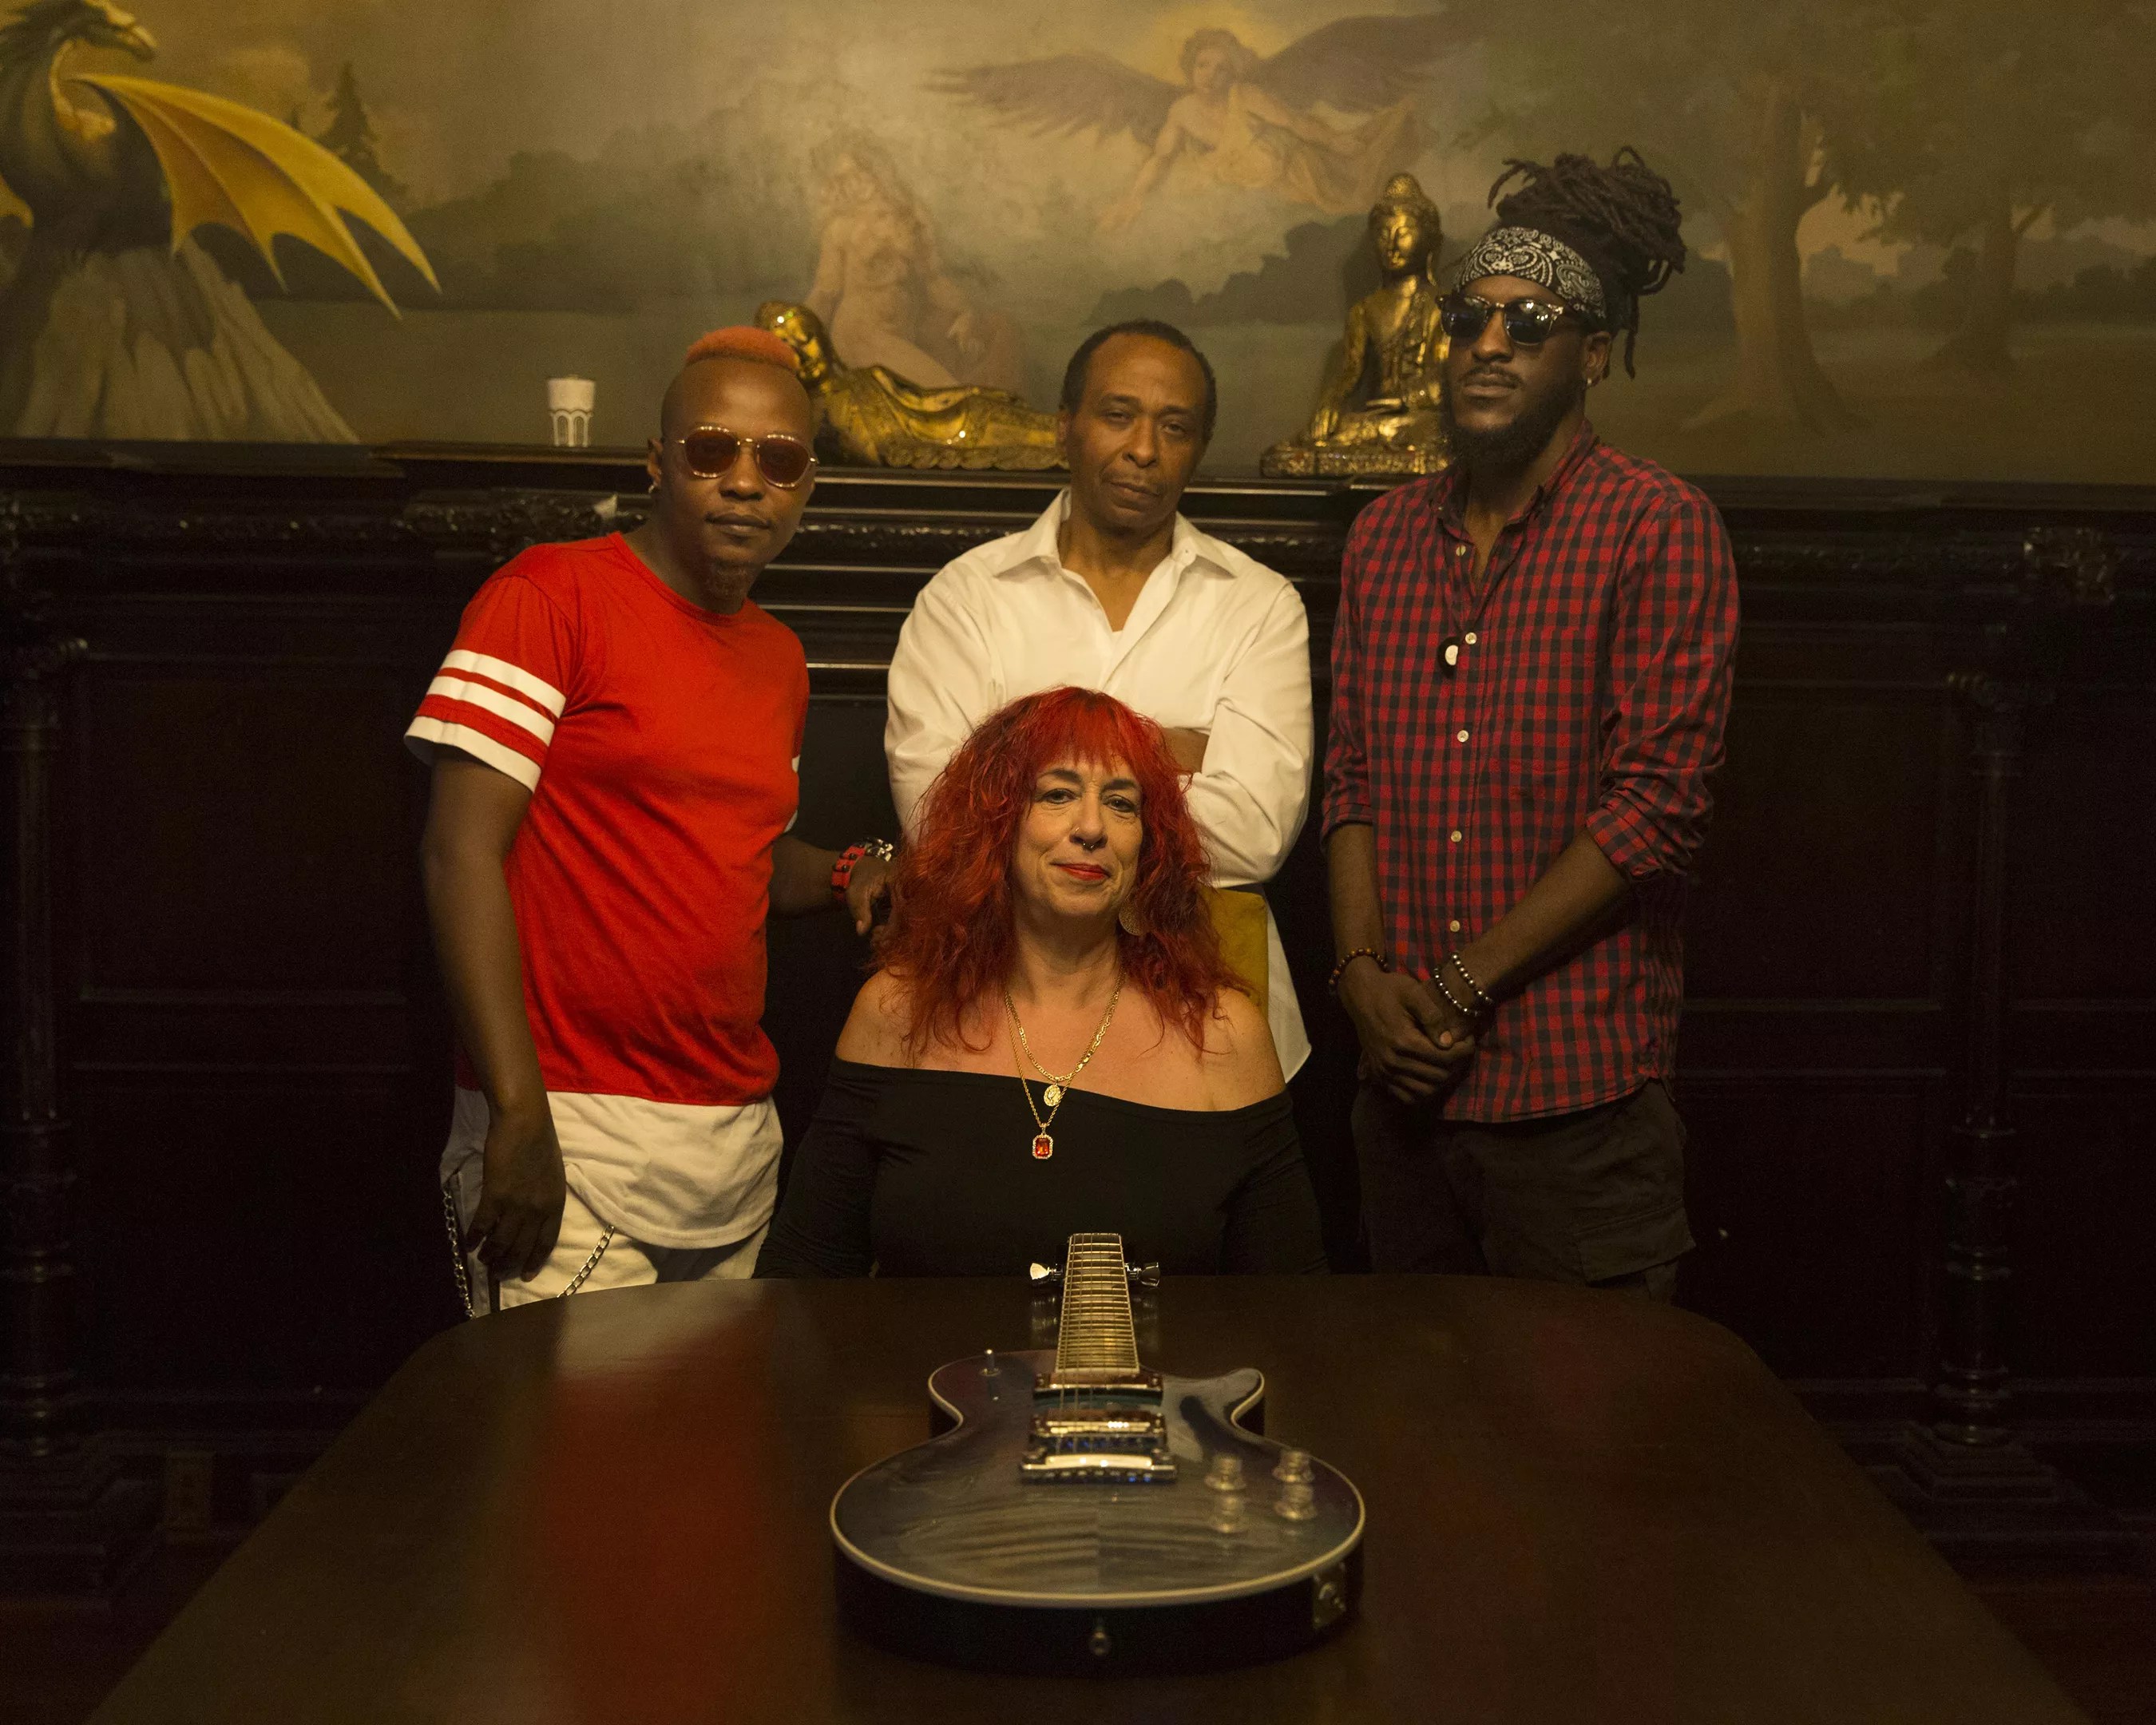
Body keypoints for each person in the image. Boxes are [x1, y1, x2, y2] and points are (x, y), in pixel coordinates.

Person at [409, 326, 893, 1312]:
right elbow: (459, 852)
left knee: (713, 1419)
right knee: (557, 1419)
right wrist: (516, 1113)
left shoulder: (778, 658)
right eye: (713, 451)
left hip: (731, 1141)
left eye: (779, 460)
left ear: (807, 486)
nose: (745, 481)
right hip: (567, 1128)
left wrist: (851, 869)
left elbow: (741, 858)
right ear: (656, 463)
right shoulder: (548, 594)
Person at [1324, 150, 1738, 1295]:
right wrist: (1361, 978)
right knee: (1412, 1404)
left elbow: (1654, 811)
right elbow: (1351, 778)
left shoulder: (1657, 528)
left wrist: (1460, 986)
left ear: (1592, 355)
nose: (1490, 344)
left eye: (1531, 323)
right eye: (1470, 319)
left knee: (1590, 1413)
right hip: (1400, 1100)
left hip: (1577, 1109)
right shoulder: (1385, 540)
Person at [758, 688, 1326, 1278]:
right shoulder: (896, 1011)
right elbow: (803, 1278)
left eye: (1121, 803)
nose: (1092, 828)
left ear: (1149, 848)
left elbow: (1292, 1309)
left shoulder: (1225, 1035)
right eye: (1057, 794)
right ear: (995, 826)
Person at [884, 318, 1314, 1077]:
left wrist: (1023, 770)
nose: (1144, 448)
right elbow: (941, 822)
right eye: (1118, 415)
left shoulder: (1260, 605)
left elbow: (1257, 829)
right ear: (1065, 427)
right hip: (989, 1019)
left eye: (1174, 426)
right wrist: (1164, 756)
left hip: (1209, 1024)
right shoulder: (966, 599)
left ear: (1198, 448)